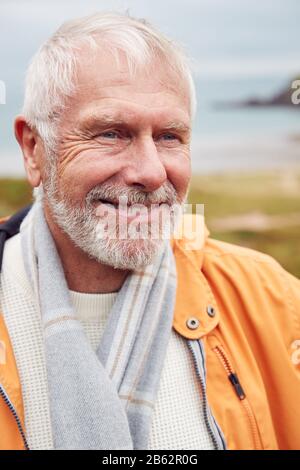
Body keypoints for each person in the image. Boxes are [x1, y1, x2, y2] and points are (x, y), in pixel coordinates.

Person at [0, 12, 299, 451]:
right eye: (110, 133)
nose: (152, 173)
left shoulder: (273, 301)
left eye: (170, 137)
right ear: (34, 149)